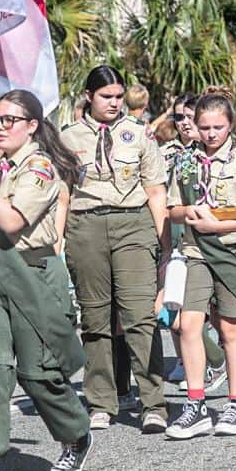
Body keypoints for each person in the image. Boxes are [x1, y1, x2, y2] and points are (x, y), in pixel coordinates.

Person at [0, 90, 92, 471]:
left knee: (37, 373)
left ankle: (75, 435)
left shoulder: (40, 167)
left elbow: (12, 221)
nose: (0, 127)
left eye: (9, 120)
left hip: (32, 272)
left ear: (31, 126)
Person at [60, 65, 170, 434]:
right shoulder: (67, 136)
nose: (114, 102)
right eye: (106, 96)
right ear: (89, 96)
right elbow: (63, 194)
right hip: (85, 226)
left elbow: (156, 191)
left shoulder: (139, 134)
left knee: (140, 315)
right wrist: (59, 241)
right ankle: (101, 401)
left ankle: (153, 402)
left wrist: (164, 245)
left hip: (132, 224)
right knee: (95, 319)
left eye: (119, 96)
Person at [165, 90, 236, 439]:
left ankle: (235, 405)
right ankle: (195, 404)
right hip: (195, 252)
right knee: (188, 326)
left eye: (218, 127)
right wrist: (188, 213)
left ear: (230, 125)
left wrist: (216, 226)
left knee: (229, 330)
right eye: (204, 126)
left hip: (231, 252)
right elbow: (172, 208)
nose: (210, 134)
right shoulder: (185, 161)